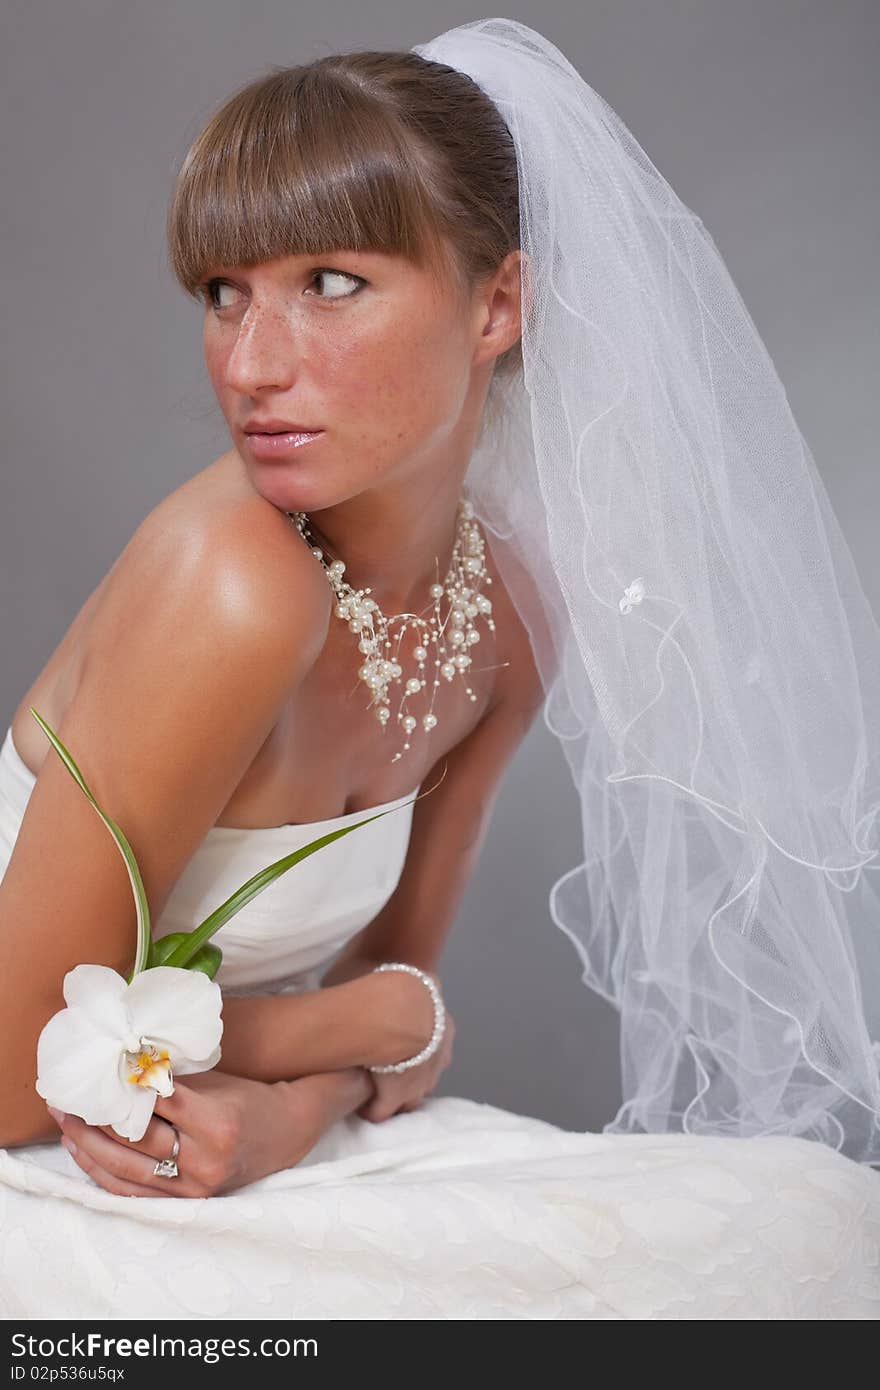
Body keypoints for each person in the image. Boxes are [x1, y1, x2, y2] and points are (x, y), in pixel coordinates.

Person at [1, 18, 878, 1320]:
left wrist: (304, 1109)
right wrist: (340, 1038)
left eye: (332, 283)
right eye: (224, 292)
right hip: (31, 1125)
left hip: (191, 1123)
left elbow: (401, 1034)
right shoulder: (232, 581)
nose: (249, 362)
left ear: (498, 306)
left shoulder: (509, 614)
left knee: (818, 1222)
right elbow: (26, 1065)